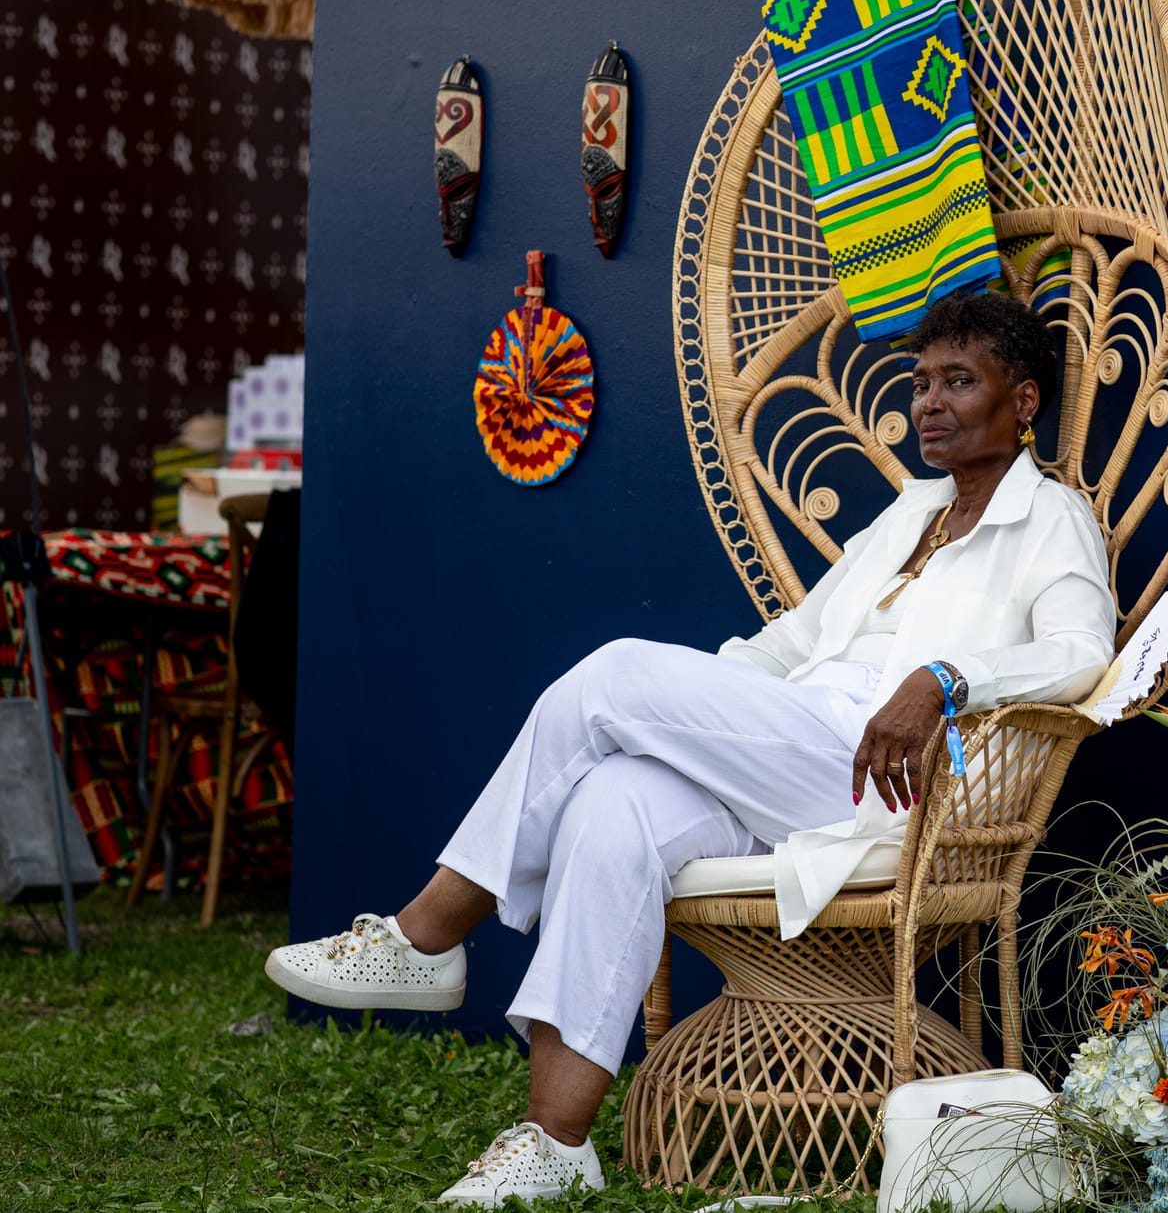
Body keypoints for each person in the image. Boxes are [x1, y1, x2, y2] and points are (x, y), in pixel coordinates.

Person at [262, 290, 1116, 1206]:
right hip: (798, 748)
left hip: (897, 782)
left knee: (613, 674)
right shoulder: (909, 513)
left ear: (1022, 401)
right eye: (919, 383)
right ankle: (555, 1142)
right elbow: (795, 641)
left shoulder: (1051, 518)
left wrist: (948, 679)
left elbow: (1082, 656)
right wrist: (706, 713)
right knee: (616, 800)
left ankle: (427, 935)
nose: (930, 404)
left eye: (960, 381)